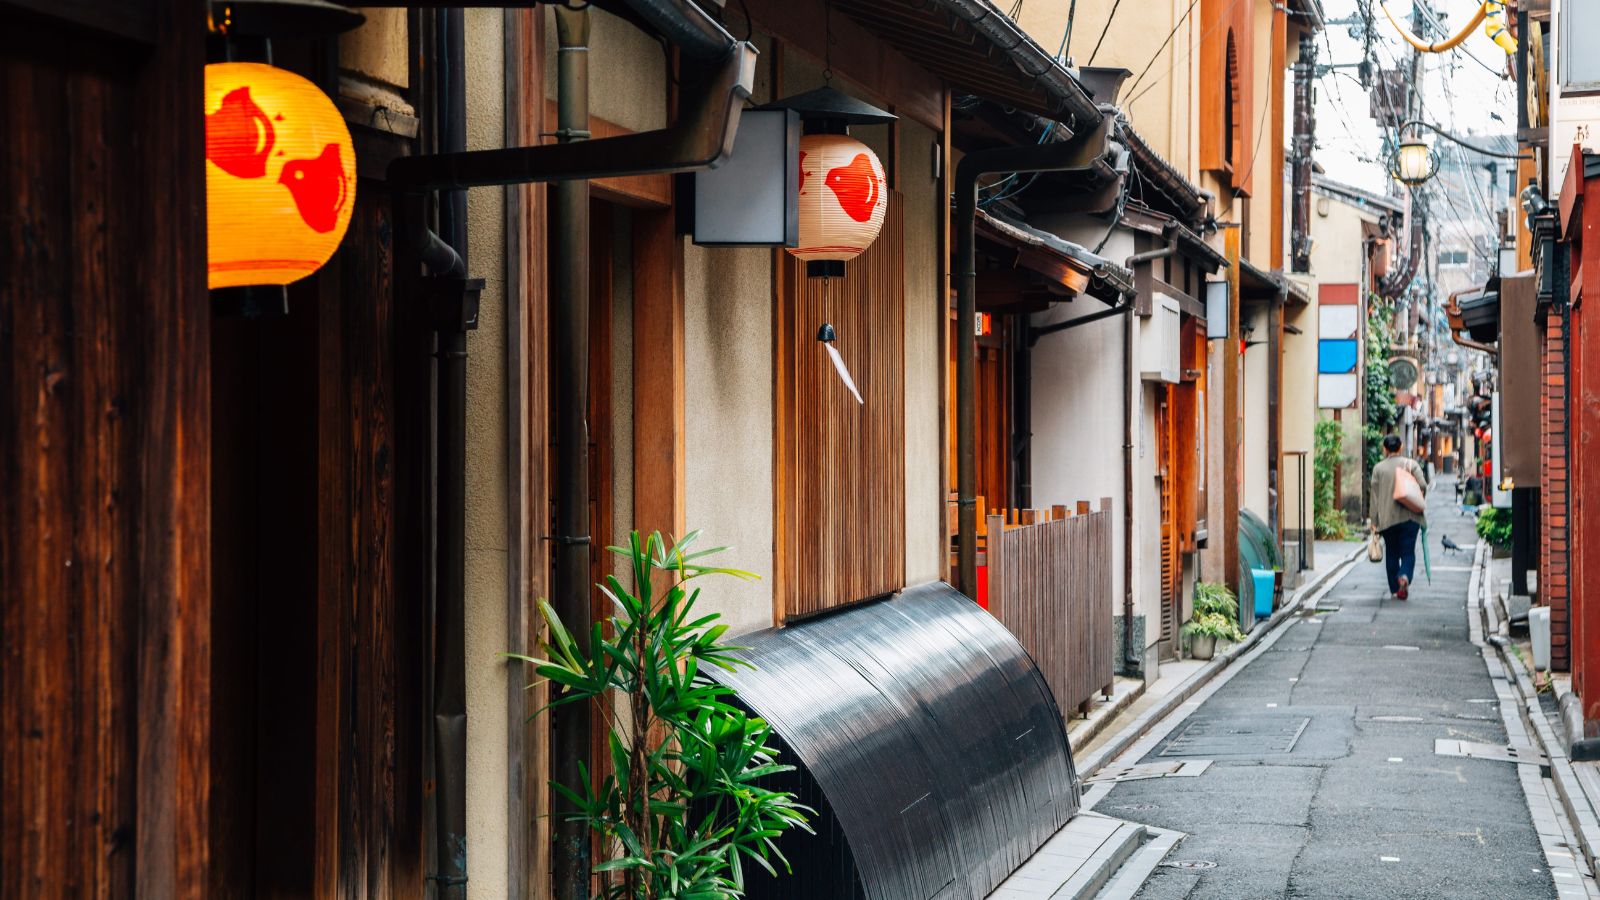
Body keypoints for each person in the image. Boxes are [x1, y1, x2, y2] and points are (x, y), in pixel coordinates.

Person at [1371, 434, 1429, 599]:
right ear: (1401, 447)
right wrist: (1415, 497)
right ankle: (1404, 576)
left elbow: (1374, 498)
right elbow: (1423, 485)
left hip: (1388, 519)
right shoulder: (1411, 465)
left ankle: (1396, 590)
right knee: (1408, 552)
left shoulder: (1379, 469)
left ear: (1385, 449)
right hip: (1411, 517)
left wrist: (1374, 522)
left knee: (1392, 553)